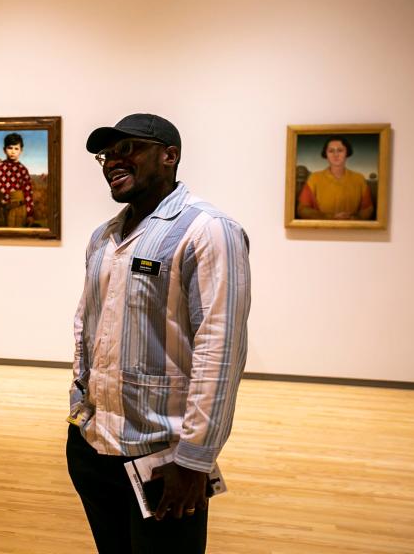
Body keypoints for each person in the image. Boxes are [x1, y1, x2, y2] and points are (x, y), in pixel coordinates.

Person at [67, 113, 250, 554]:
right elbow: (85, 329)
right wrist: (78, 417)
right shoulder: (103, 237)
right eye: (106, 155)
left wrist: (195, 459)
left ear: (170, 156)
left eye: (127, 149)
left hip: (163, 458)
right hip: (94, 447)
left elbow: (219, 351)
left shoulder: (207, 231)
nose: (112, 160)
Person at [296, 136, 374, 220]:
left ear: (346, 153)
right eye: (331, 151)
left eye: (340, 150)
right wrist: (329, 217)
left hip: (352, 230)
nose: (335, 155)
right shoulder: (314, 178)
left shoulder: (359, 178)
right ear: (326, 154)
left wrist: (356, 218)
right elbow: (302, 209)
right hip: (323, 230)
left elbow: (368, 208)